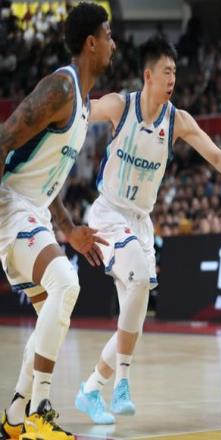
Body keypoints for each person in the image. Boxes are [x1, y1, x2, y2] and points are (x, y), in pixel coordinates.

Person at [74, 37, 221, 425]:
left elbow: (218, 157)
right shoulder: (120, 106)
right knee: (137, 280)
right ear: (148, 75)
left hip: (141, 221)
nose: (173, 80)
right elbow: (78, 112)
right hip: (108, 213)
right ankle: (122, 383)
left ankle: (91, 389)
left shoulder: (177, 120)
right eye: (167, 72)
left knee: (134, 316)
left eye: (175, 73)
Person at [0, 3, 115, 439]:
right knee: (66, 284)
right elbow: (3, 140)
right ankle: (40, 410)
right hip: (11, 206)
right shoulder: (61, 87)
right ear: (91, 42)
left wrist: (67, 230)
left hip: (34, 211)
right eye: (108, 36)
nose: (114, 44)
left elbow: (50, 180)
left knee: (54, 309)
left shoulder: (82, 107)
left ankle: (15, 417)